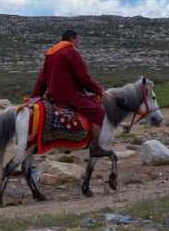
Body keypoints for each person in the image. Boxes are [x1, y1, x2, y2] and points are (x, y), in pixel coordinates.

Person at [30, 29, 112, 157]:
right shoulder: (70, 51)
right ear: (72, 39)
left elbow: (42, 80)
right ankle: (95, 146)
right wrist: (97, 90)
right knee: (98, 112)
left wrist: (35, 97)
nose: (77, 43)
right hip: (69, 96)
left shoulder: (51, 53)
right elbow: (83, 77)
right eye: (77, 40)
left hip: (53, 96)